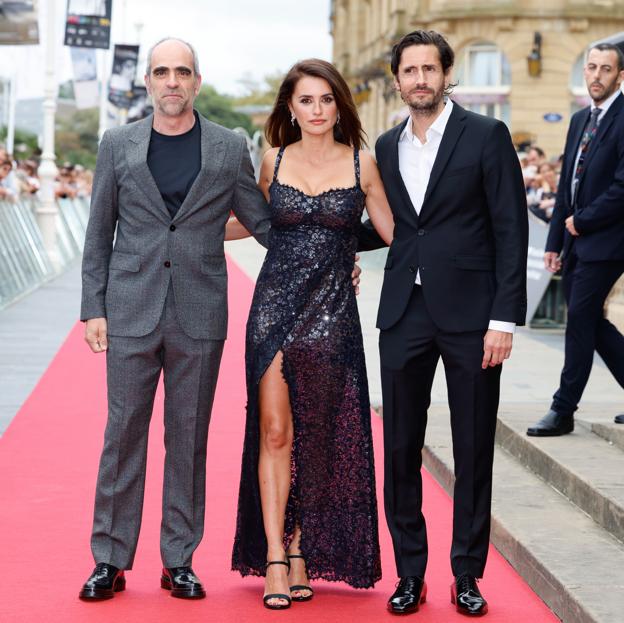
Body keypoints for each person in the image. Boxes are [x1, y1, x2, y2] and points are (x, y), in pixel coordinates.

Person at [78, 37, 272, 601]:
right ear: (147, 81)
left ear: (196, 82)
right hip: (130, 309)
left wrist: (330, 252)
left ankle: (178, 558)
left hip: (199, 312)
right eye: (161, 71)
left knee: (188, 441)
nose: (171, 81)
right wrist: (94, 307)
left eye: (181, 72)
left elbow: (260, 221)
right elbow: (98, 234)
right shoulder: (117, 144)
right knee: (122, 438)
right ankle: (109, 559)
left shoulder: (227, 146)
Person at [360, 30, 528, 615]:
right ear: (398, 78)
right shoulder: (384, 145)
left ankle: (466, 575)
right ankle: (411, 574)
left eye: (430, 68)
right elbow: (387, 225)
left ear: (446, 73)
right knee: (400, 447)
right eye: (410, 70)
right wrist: (317, 241)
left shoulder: (486, 135)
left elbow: (511, 229)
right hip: (403, 314)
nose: (420, 79)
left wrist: (504, 319)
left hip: (472, 318)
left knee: (473, 447)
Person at [229, 59, 394, 609]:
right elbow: (252, 221)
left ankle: (302, 548)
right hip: (273, 308)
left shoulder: (362, 162)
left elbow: (393, 232)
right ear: (290, 108)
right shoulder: (272, 161)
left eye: (326, 100)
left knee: (319, 438)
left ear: (338, 105)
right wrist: (179, 226)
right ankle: (276, 553)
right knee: (276, 432)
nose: (317, 110)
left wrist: (345, 250)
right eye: (306, 101)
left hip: (331, 315)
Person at [527, 43, 624, 436]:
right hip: (574, 241)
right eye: (591, 67)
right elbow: (569, 185)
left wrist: (581, 222)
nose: (597, 75)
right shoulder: (580, 118)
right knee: (590, 322)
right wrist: (554, 242)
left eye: (606, 69)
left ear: (621, 76)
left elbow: (622, 187)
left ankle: (563, 409)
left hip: (609, 241)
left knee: (579, 319)